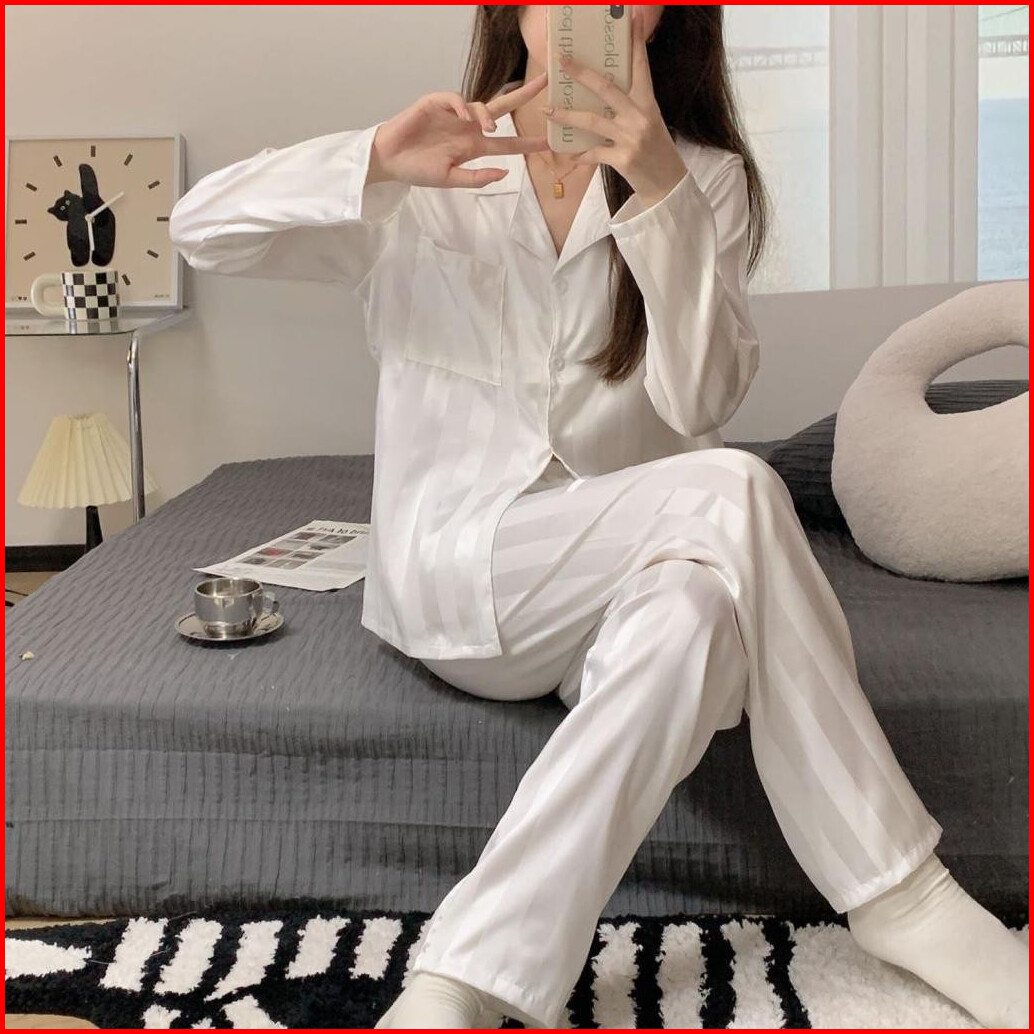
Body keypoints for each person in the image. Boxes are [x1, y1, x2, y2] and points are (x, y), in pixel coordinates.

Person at [169, 6, 1028, 1029]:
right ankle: (903, 895)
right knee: (734, 487)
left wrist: (661, 194)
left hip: (620, 578)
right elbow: (199, 229)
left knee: (697, 616)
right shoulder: (428, 170)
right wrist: (375, 159)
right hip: (461, 569)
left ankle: (458, 985)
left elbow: (701, 399)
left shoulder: (702, 177)